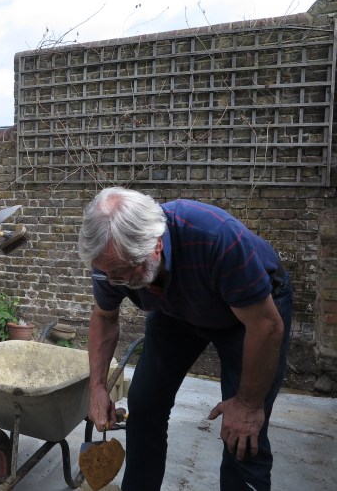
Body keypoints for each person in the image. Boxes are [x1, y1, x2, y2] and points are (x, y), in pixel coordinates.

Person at [77, 187, 292, 491]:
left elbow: (267, 326)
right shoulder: (111, 262)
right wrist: (97, 386)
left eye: (124, 272)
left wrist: (247, 403)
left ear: (155, 246)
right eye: (110, 274)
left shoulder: (215, 237)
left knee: (243, 431)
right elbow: (104, 317)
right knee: (145, 406)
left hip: (250, 315)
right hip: (174, 309)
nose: (117, 282)